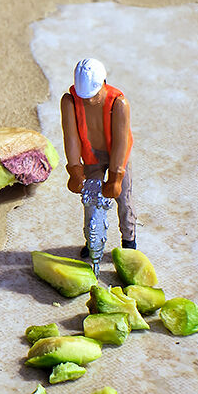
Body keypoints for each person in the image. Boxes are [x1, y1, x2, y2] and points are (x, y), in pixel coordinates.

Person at [60, 58, 137, 254]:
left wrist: (116, 176)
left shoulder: (119, 103)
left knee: (124, 198)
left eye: (92, 94)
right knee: (90, 200)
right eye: (84, 95)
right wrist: (75, 169)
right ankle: (92, 240)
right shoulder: (70, 101)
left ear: (104, 82)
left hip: (117, 156)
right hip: (91, 156)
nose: (88, 100)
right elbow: (71, 136)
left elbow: (121, 141)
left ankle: (129, 241)